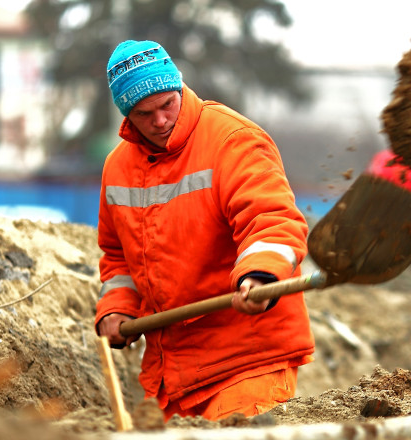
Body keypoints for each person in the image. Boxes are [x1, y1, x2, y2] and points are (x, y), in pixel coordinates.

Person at [94, 40, 315, 421]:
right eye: (146, 114)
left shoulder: (232, 140)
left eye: (167, 105)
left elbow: (272, 219)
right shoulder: (117, 168)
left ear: (179, 88)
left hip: (247, 363)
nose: (160, 121)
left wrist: (259, 275)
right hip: (170, 380)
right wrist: (116, 310)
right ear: (127, 116)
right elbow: (118, 258)